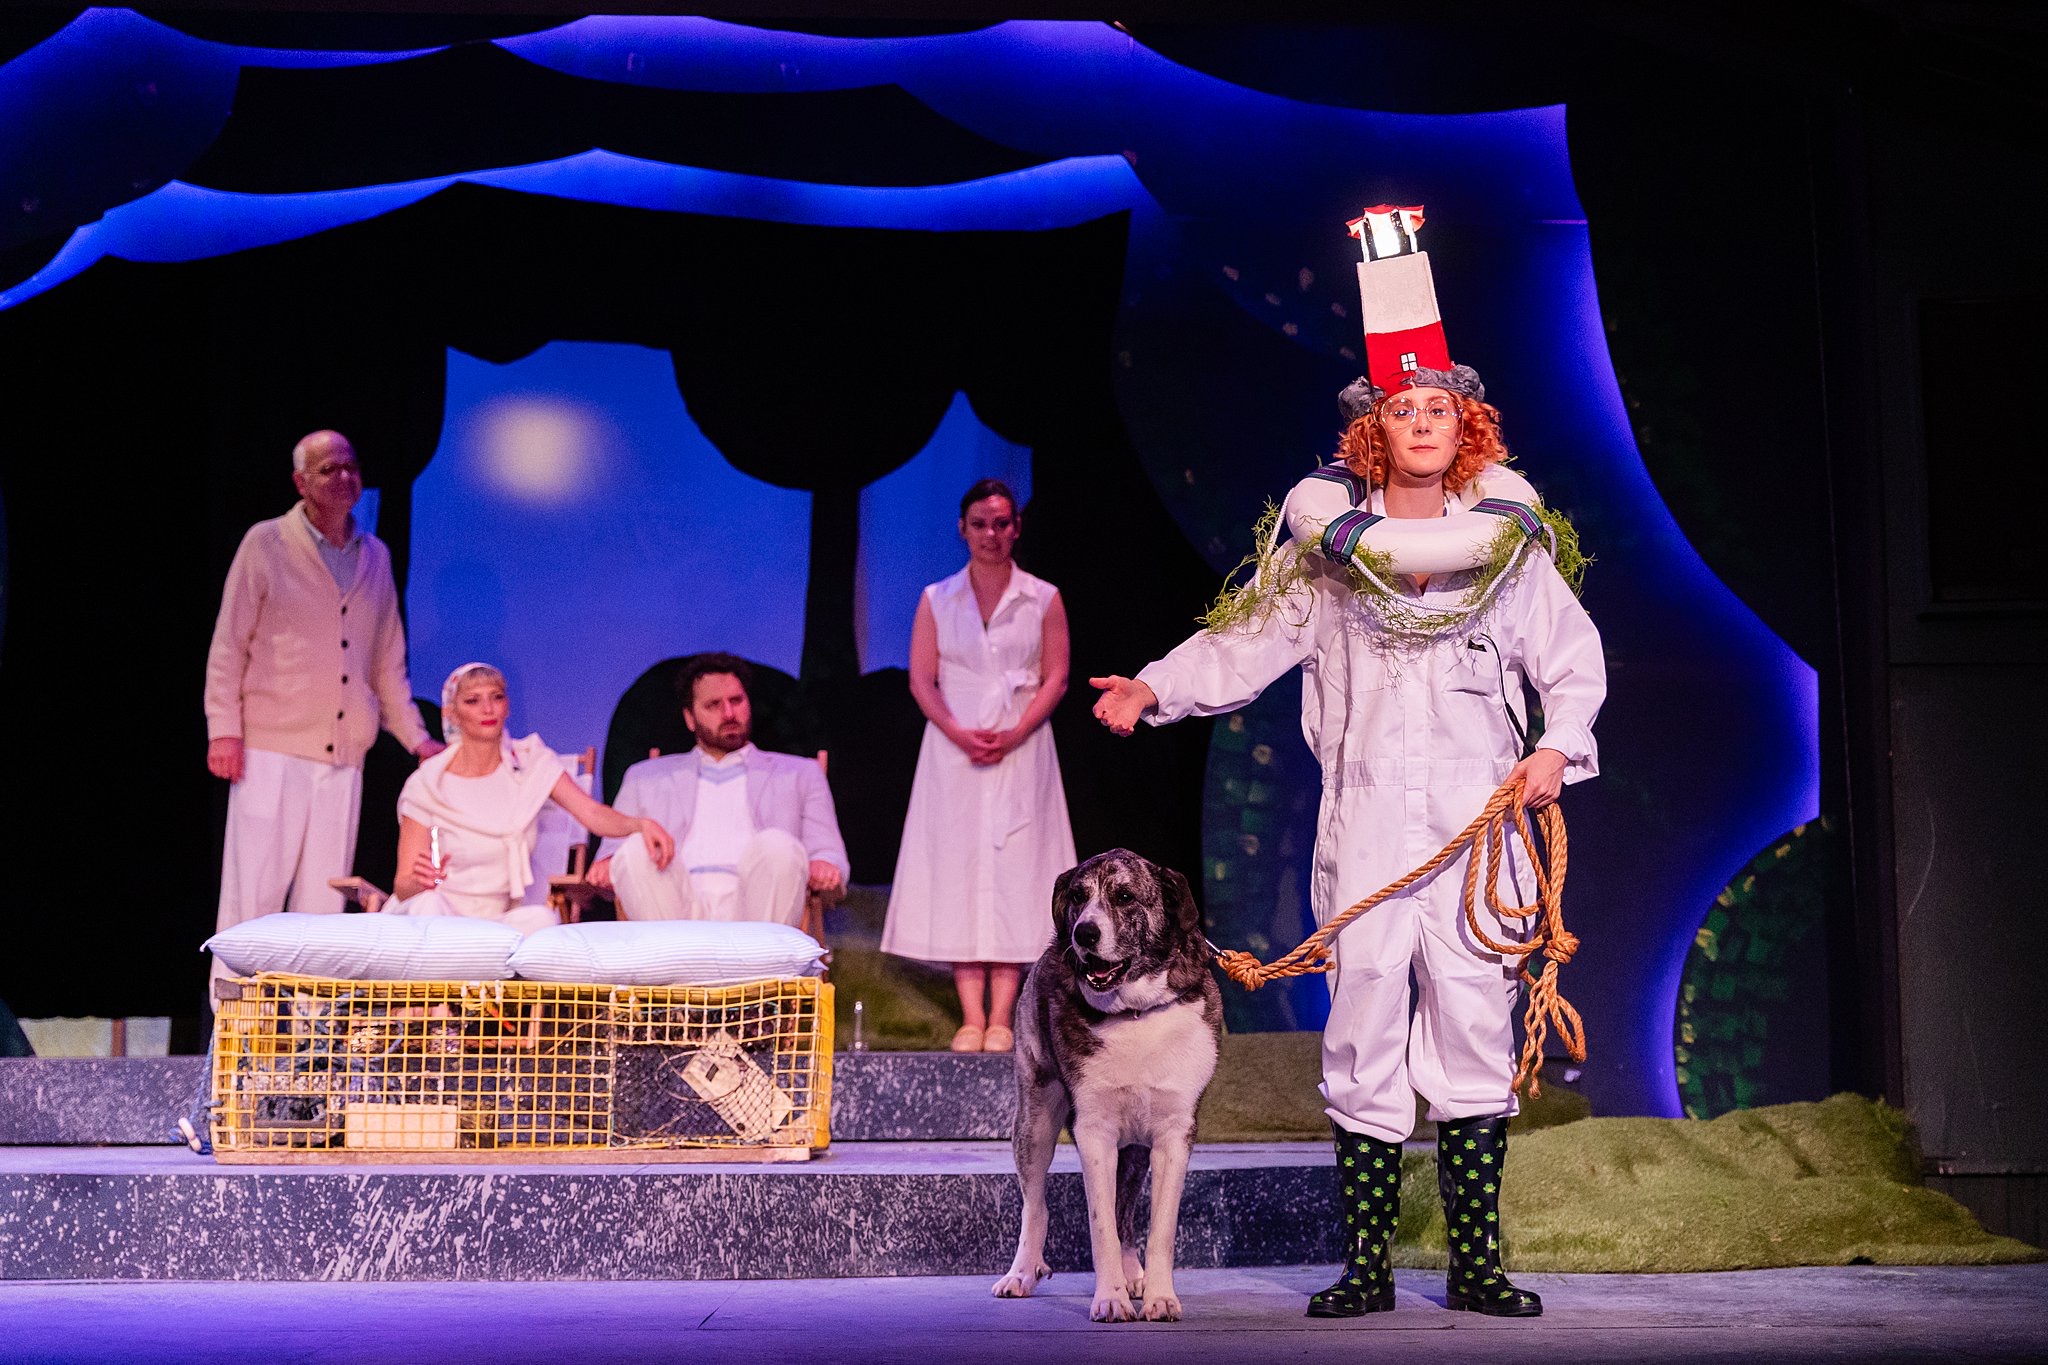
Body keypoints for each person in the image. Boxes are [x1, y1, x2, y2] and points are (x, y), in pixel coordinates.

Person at [1092, 368, 1605, 1318]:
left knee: (1474, 1030)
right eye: (1403, 410)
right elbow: (1242, 643)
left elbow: (1572, 662)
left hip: (1474, 827)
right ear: (1374, 431)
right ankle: (1367, 1265)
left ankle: (1476, 1266)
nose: (1423, 424)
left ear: (1467, 427)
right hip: (1366, 827)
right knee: (1363, 1029)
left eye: (1440, 409)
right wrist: (1155, 687)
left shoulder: (1505, 552)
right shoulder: (1329, 559)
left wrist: (1558, 745)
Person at [203, 430, 444, 970]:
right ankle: (236, 1010)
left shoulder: (374, 556)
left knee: (323, 900)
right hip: (271, 745)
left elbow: (386, 663)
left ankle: (311, 1017)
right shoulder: (266, 543)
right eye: (329, 469)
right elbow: (229, 644)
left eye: (351, 467)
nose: (344, 478)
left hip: (343, 752)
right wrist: (224, 730)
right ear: (301, 482)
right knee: (255, 891)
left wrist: (416, 738)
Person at [881, 479, 1077, 1054]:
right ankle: (971, 1016)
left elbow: (1056, 676)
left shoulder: (1042, 597)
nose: (990, 534)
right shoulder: (937, 598)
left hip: (1023, 743)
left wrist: (1015, 731)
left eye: (1001, 523)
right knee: (960, 868)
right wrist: (957, 732)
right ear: (962, 529)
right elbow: (922, 679)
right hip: (954, 750)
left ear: (1015, 527)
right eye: (979, 524)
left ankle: (1003, 1016)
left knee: (1016, 869)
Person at [386, 664, 674, 932]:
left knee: (541, 919)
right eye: (473, 701)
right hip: (441, 913)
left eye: (496, 697)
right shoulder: (428, 783)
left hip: (494, 920)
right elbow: (403, 884)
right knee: (429, 907)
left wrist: (639, 825)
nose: (487, 709)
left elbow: (593, 814)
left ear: (507, 706)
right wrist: (420, 882)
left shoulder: (530, 763)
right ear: (452, 713)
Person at [587, 654, 848, 927]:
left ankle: (762, 954)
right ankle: (673, 954)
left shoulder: (800, 773)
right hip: (674, 904)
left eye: (736, 701)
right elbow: (613, 851)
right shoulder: (644, 777)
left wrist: (824, 864)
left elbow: (828, 850)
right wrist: (607, 863)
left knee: (778, 845)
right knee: (635, 850)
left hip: (759, 905)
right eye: (713, 705)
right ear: (690, 718)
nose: (729, 714)